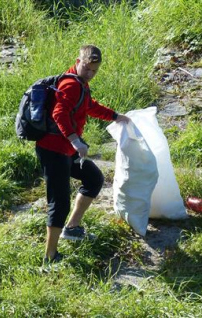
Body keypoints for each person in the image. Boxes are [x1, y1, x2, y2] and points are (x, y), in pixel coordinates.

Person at [36, 44, 130, 263]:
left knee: (93, 178)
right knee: (59, 202)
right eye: (87, 69)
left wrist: (116, 116)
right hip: (53, 150)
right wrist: (76, 140)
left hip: (67, 148)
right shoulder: (71, 84)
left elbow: (88, 106)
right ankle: (50, 256)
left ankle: (73, 227)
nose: (90, 74)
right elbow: (59, 113)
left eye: (94, 71)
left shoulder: (80, 84)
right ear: (78, 62)